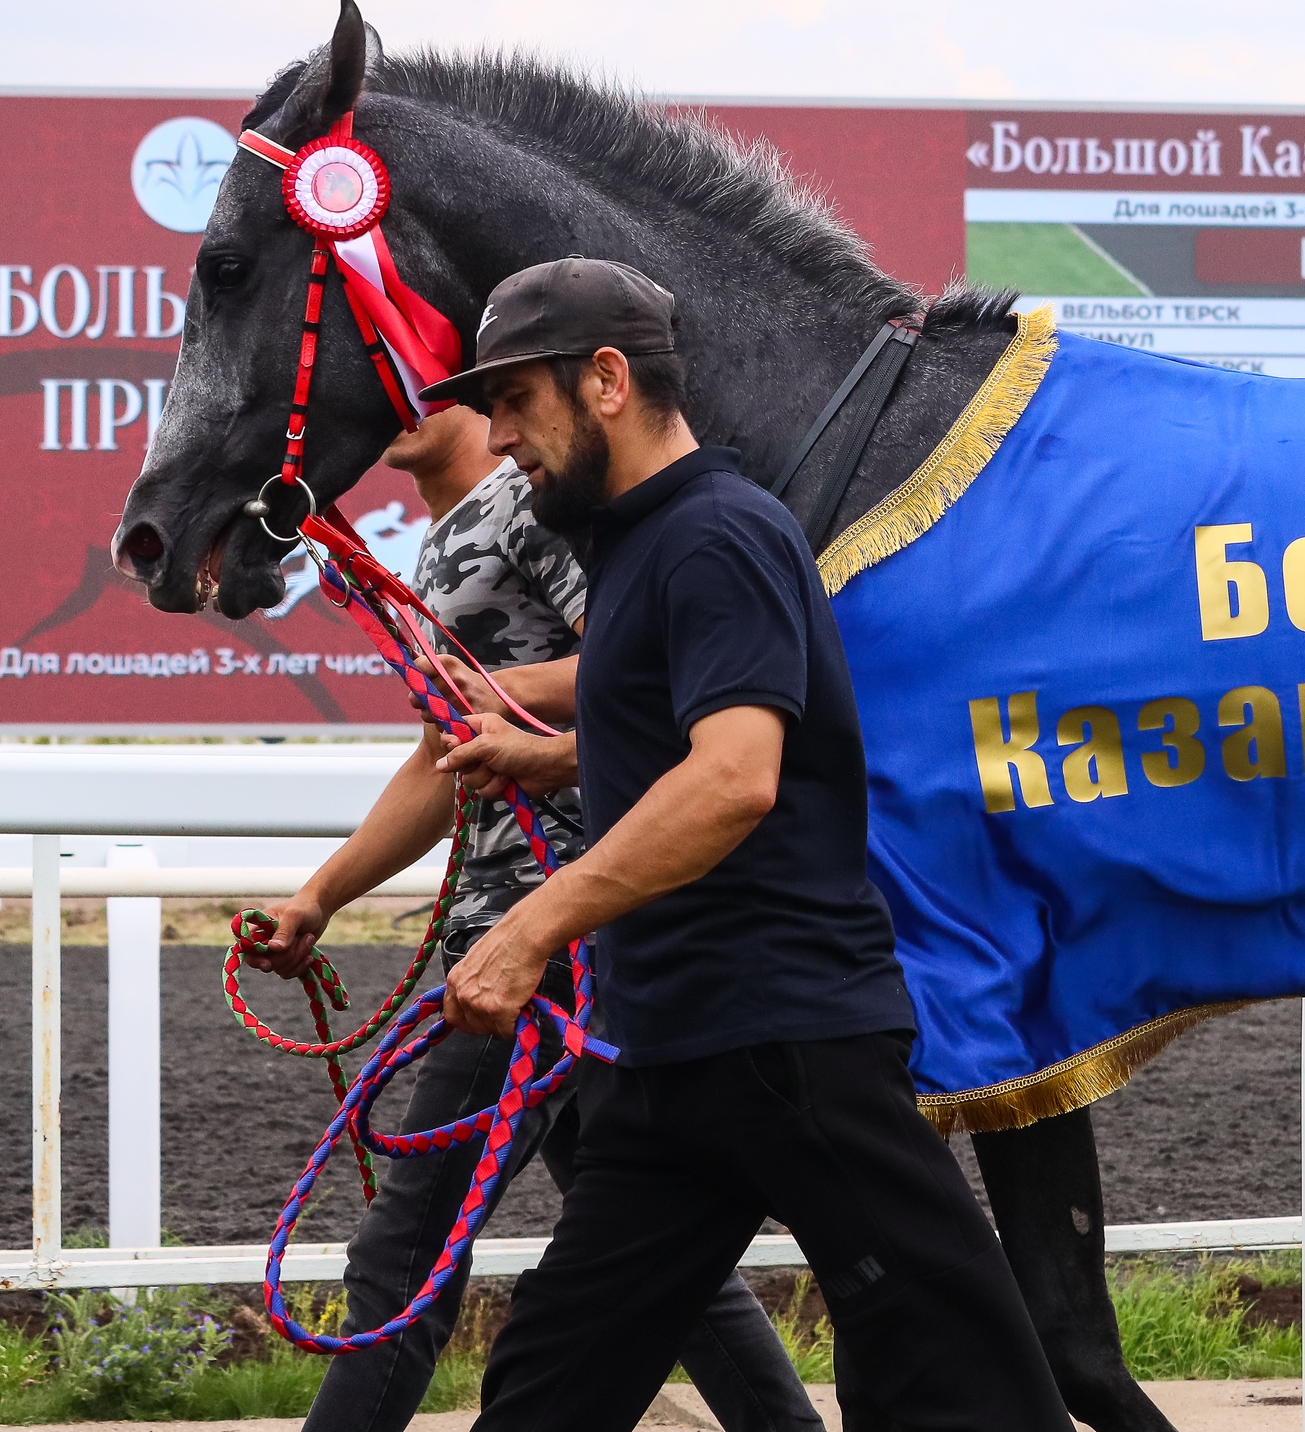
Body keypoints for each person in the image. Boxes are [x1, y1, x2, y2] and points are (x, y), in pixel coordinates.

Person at [424, 258, 1071, 1432]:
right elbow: (698, 729)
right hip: (671, 1052)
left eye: (517, 397)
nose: (496, 430)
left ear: (607, 379)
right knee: (547, 1391)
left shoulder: (716, 535)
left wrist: (532, 925)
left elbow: (733, 778)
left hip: (789, 1046)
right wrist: (554, 757)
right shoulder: (640, 544)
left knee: (969, 1387)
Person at [240, 401, 823, 1432]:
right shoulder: (450, 532)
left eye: (444, 390)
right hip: (536, 938)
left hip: (548, 939)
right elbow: (445, 759)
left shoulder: (527, 507)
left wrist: (504, 703)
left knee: (404, 1255)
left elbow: (636, 671)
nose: (405, 411)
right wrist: (321, 896)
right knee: (646, 1236)